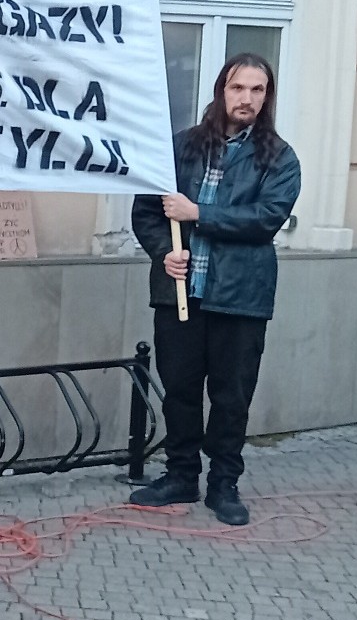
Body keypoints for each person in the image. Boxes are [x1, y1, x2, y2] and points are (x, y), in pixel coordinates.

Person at [129, 53, 301, 526]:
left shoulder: (279, 158)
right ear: (221, 91)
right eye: (237, 88)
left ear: (267, 97)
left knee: (231, 397)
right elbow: (146, 211)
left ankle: (223, 484)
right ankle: (181, 474)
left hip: (240, 298)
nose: (246, 98)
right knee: (180, 391)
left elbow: (266, 219)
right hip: (182, 292)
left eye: (256, 90)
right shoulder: (181, 148)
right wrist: (164, 250)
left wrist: (198, 214)